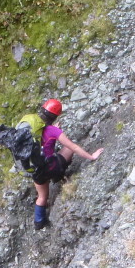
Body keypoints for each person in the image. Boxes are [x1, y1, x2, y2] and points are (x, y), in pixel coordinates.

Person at [20, 98, 104, 230]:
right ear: (55, 116)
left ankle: (39, 223)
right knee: (68, 149)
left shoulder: (31, 130)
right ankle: (60, 173)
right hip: (51, 167)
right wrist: (92, 157)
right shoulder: (53, 131)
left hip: (36, 170)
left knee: (42, 197)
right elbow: (74, 147)